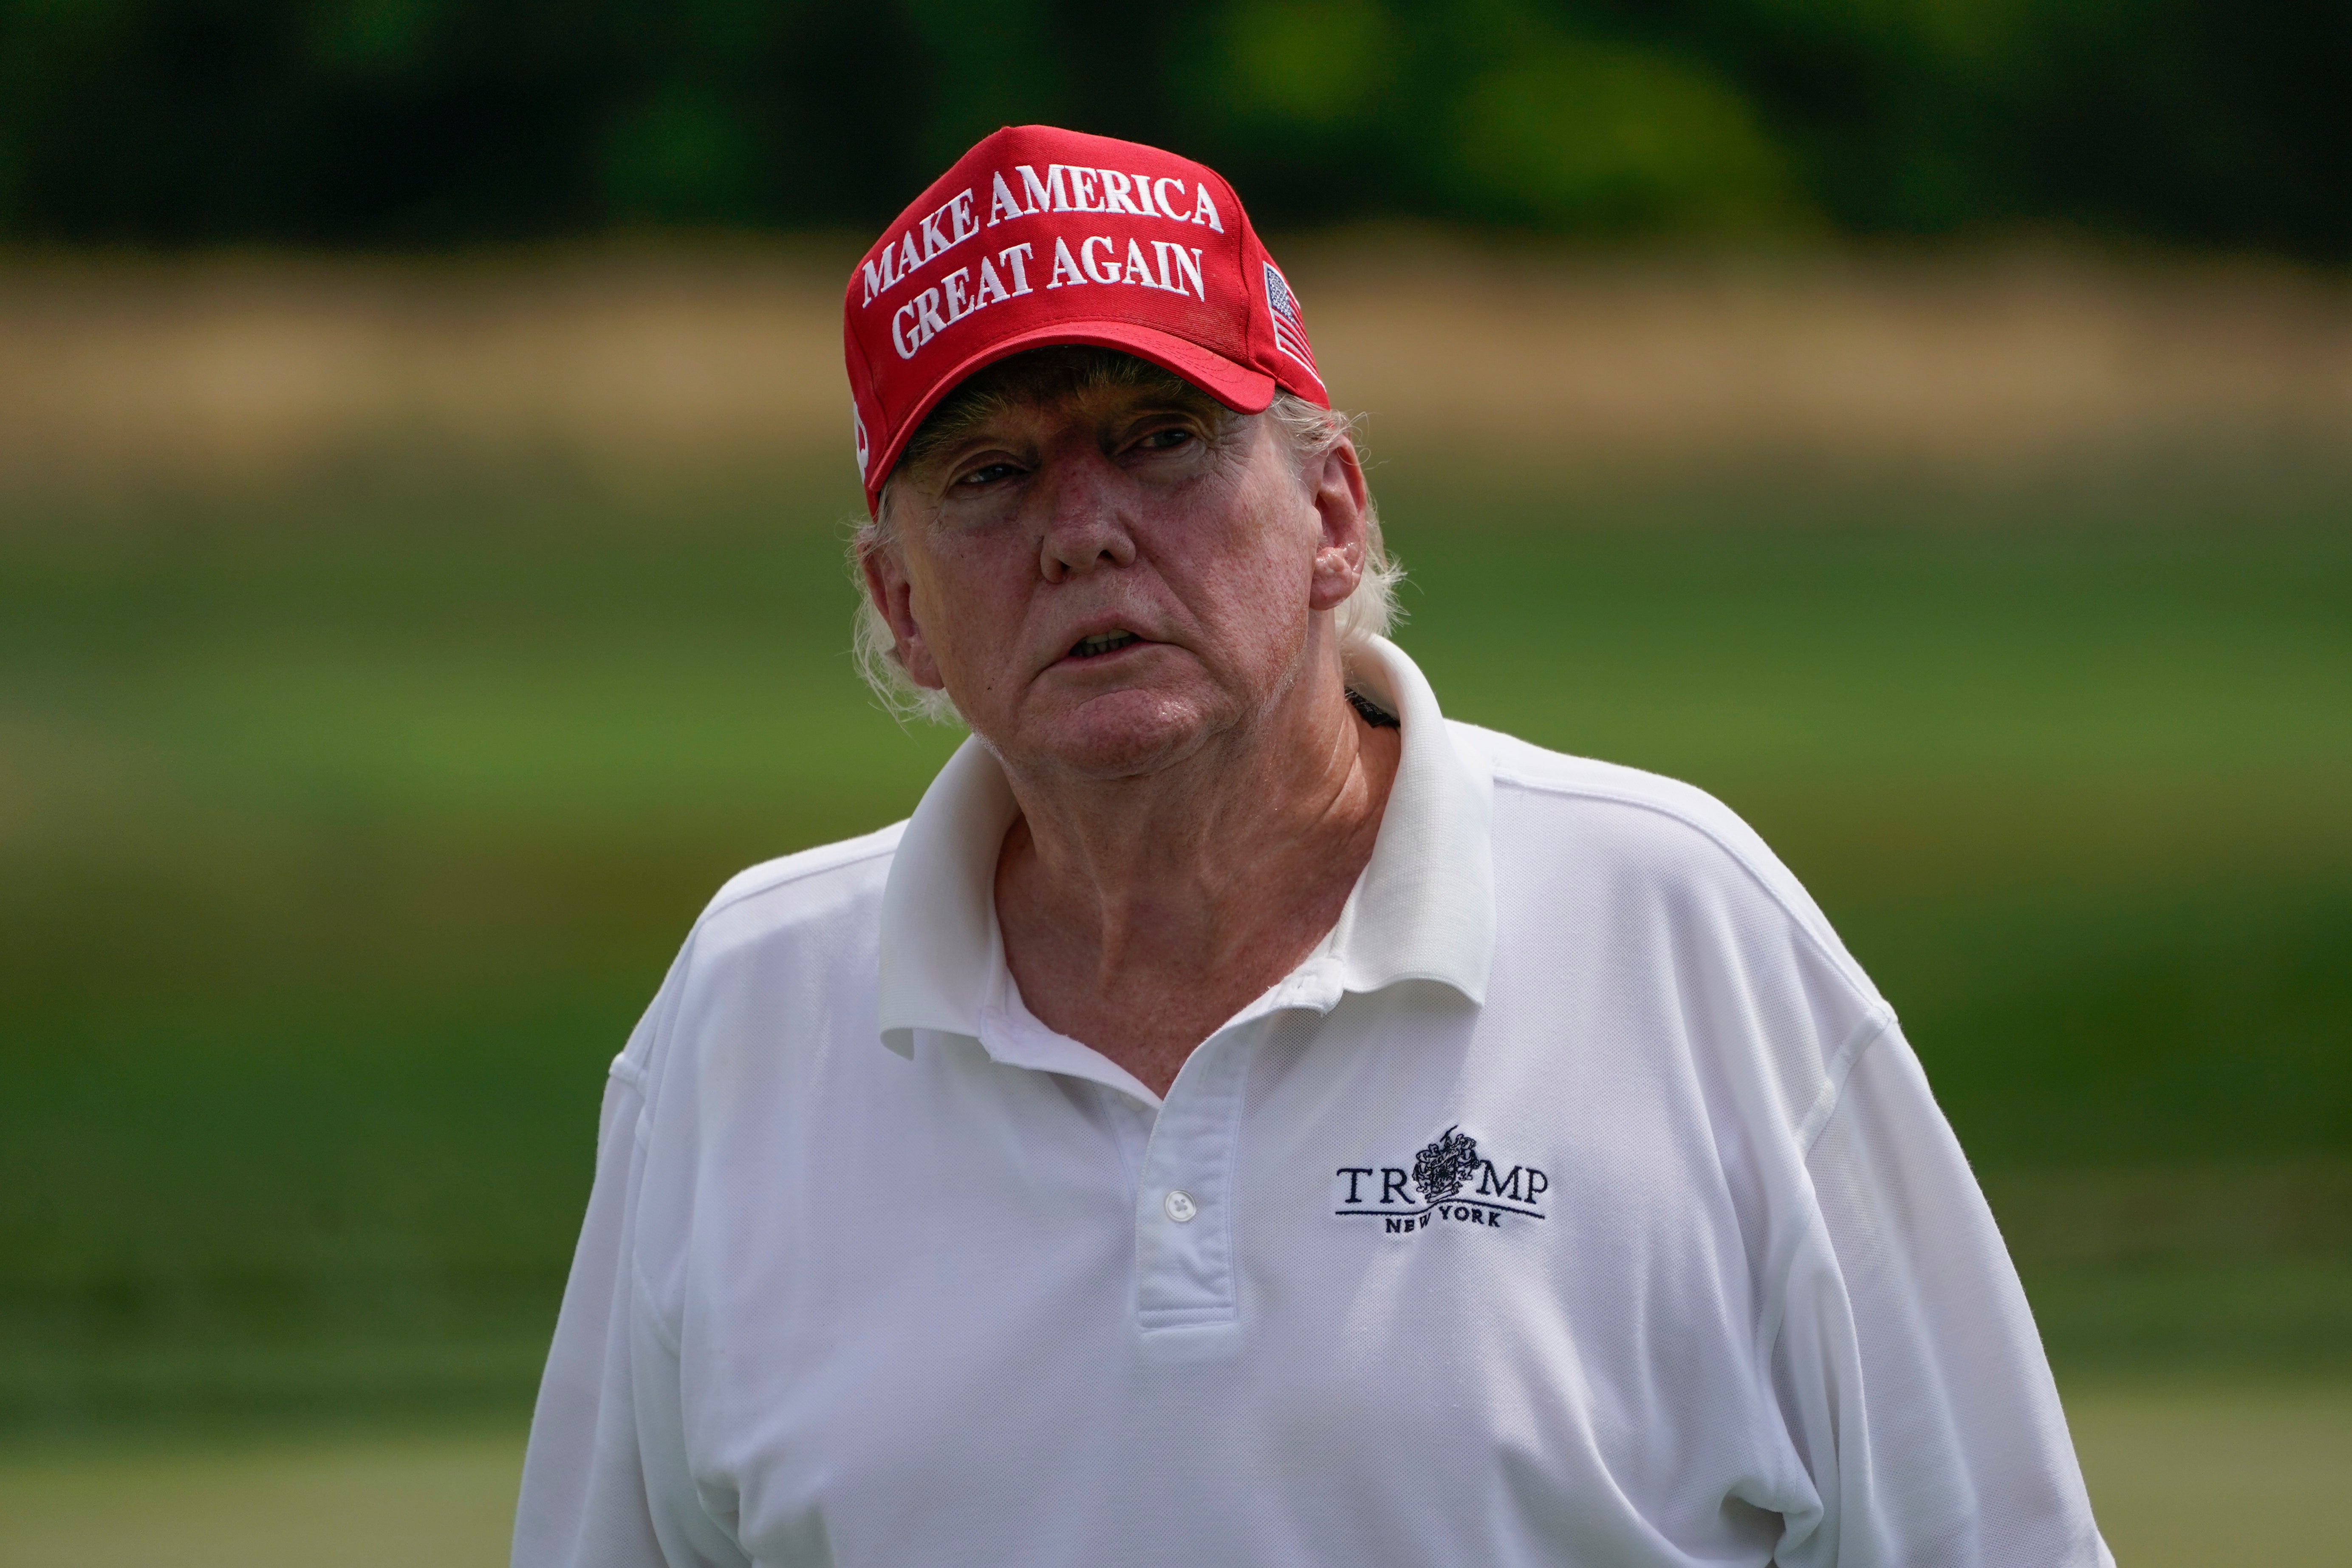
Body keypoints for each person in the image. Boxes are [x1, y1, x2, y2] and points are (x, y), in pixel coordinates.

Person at [511, 125, 2112, 1568]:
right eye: (990, 475)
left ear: (1334, 510)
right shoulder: (744, 1008)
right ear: (903, 607)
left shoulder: (1682, 926)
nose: (1082, 529)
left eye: (1160, 440)